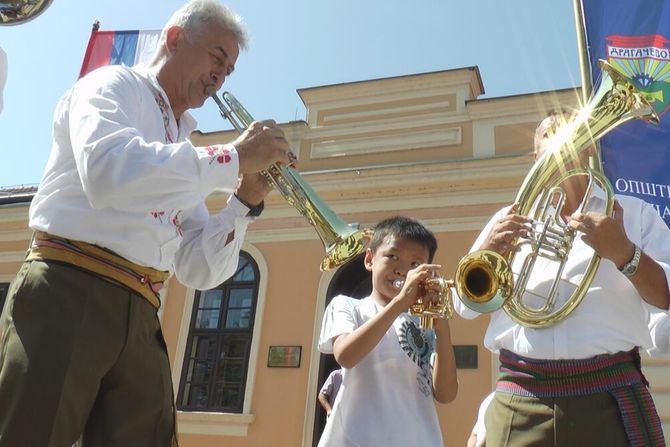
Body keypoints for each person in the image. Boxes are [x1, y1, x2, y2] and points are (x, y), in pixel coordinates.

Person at [0, 1, 291, 446]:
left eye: (229, 69)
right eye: (216, 57)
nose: (221, 75)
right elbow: (107, 171)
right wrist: (231, 157)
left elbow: (196, 268)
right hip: (69, 286)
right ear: (174, 39)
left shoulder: (182, 140)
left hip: (142, 307)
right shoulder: (110, 85)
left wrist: (244, 202)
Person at [455, 111, 670, 446]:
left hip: (610, 397)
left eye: (572, 141)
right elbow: (464, 306)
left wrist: (624, 251)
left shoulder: (634, 211)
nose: (561, 153)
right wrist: (487, 250)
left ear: (589, 149)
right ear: (535, 160)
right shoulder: (508, 217)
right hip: (519, 396)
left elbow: (666, 296)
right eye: (550, 146)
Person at [317, 216, 458, 447]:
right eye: (392, 257)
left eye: (415, 264)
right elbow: (346, 355)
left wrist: (442, 330)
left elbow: (446, 394)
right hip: (356, 439)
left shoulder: (423, 322)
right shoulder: (348, 306)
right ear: (370, 259)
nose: (402, 270)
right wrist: (401, 303)